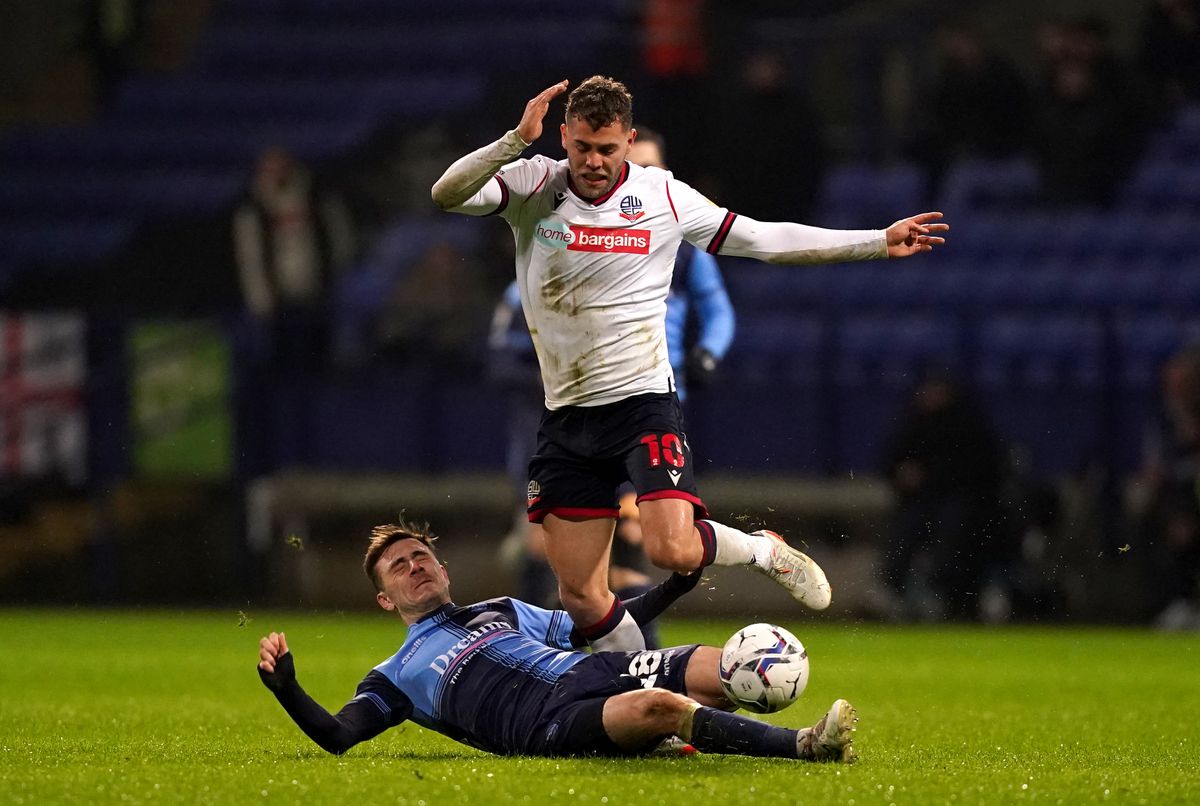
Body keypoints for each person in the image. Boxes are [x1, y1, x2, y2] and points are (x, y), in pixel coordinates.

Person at [431, 75, 948, 651]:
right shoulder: (533, 184)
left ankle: (761, 550)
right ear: (563, 138)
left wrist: (876, 240)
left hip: (642, 404)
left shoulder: (664, 197)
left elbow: (762, 239)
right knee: (579, 594)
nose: (594, 161)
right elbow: (446, 195)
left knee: (670, 550)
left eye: (607, 148)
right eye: (582, 147)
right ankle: (640, 689)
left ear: (629, 140)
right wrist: (511, 141)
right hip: (567, 416)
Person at [257, 519, 858, 761]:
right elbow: (338, 737)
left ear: (444, 572)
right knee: (662, 706)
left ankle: (680, 731)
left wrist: (677, 586)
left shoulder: (502, 608)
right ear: (387, 600)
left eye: (422, 557)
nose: (416, 567)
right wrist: (287, 689)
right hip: (539, 726)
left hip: (592, 675)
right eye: (400, 568)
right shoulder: (394, 673)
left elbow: (600, 623)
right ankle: (805, 746)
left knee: (719, 666)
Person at [490, 125, 736, 618]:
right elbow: (503, 342)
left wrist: (708, 353)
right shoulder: (557, 239)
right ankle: (563, 643)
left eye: (651, 170)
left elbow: (719, 309)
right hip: (569, 408)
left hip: (650, 399)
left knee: (640, 530)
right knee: (558, 547)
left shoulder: (684, 247)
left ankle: (645, 651)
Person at [879, 370, 1008, 621]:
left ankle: (945, 592)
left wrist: (929, 476)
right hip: (920, 502)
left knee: (956, 526)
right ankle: (895, 590)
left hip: (963, 501)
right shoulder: (915, 424)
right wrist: (903, 474)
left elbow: (979, 470)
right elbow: (890, 463)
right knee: (905, 528)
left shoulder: (968, 426)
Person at [1137, 345, 1200, 630]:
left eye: (1183, 381)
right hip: (1174, 498)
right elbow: (1156, 469)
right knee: (1151, 514)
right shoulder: (1162, 420)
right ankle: (1173, 602)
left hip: (1193, 495)